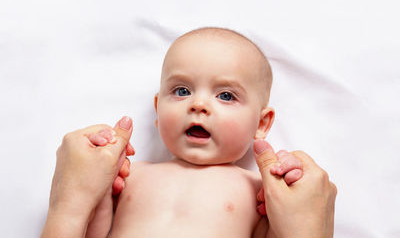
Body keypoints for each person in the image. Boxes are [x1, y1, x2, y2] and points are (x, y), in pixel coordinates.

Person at [41, 28, 337, 238]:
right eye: (182, 91)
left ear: (261, 124)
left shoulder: (261, 191)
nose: (198, 105)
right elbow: (93, 231)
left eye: (225, 96)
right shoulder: (129, 175)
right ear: (158, 111)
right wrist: (98, 188)